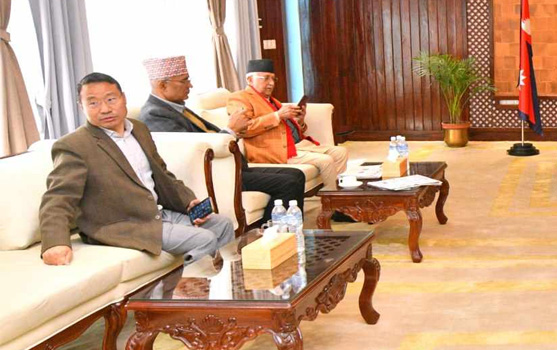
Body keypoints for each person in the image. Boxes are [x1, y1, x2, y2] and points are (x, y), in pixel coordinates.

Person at [39, 73, 235, 270]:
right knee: (203, 239)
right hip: (121, 225)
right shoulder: (74, 145)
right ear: (82, 107)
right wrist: (55, 243)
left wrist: (187, 201)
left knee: (222, 225)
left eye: (110, 99)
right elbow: (58, 197)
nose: (105, 109)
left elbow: (162, 174)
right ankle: (188, 288)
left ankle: (225, 282)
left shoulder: (139, 129)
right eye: (93, 103)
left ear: (123, 98)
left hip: (158, 214)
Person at [137, 56, 308, 214]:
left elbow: (208, 137)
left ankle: (279, 230)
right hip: (214, 174)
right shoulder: (155, 114)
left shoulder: (177, 108)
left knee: (296, 175)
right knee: (289, 182)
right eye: (185, 80)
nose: (190, 85)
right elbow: (189, 153)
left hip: (231, 166)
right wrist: (230, 131)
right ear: (162, 85)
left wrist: (236, 131)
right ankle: (272, 232)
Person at [228, 59, 348, 190]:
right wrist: (277, 115)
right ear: (250, 80)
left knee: (340, 152)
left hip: (296, 145)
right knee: (325, 161)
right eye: (266, 78)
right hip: (273, 150)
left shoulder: (273, 101)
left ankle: (335, 192)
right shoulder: (240, 98)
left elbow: (285, 128)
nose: (271, 83)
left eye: (273, 79)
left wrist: (299, 121)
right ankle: (332, 199)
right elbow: (244, 129)